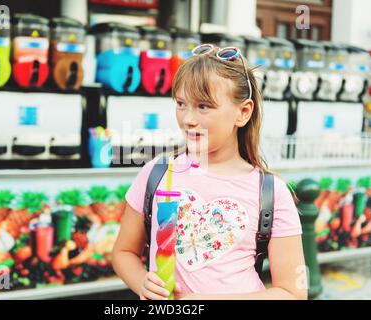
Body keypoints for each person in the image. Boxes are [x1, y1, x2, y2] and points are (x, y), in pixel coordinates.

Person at [112, 44, 307, 300]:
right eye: (181, 103)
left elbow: (293, 293)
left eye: (203, 106)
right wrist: (142, 283)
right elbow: (123, 252)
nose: (188, 119)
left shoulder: (270, 192)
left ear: (243, 112)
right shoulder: (157, 174)